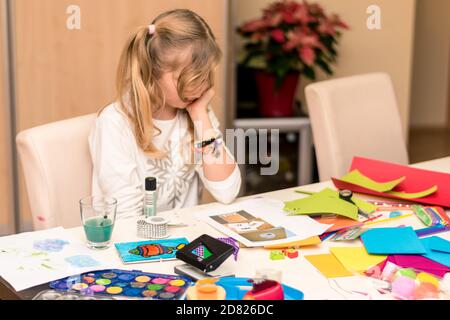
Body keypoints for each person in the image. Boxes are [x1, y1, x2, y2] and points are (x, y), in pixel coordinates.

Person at [88, 9, 241, 218]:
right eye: (188, 78)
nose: (200, 87)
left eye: (204, 76)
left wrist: (201, 116)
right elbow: (126, 217)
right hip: (136, 243)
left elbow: (226, 191)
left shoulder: (196, 113)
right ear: (153, 72)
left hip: (184, 239)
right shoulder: (115, 123)